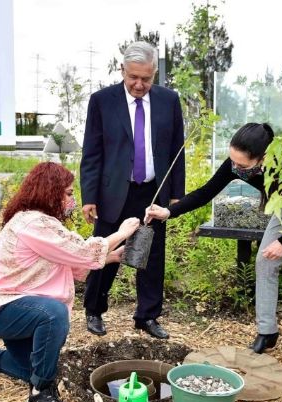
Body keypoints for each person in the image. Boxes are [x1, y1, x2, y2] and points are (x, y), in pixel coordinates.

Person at [0, 162, 140, 402]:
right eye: (68, 193)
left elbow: (71, 260)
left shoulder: (43, 223)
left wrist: (109, 257)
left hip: (20, 307)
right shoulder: (33, 222)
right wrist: (121, 233)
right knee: (53, 314)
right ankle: (40, 397)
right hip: (0, 305)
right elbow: (79, 251)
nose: (72, 199)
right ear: (51, 191)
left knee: (30, 370)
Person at [145, 123, 282, 380]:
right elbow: (207, 191)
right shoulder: (236, 164)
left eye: (242, 165)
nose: (235, 168)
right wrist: (168, 212)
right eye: (233, 161)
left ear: (263, 158)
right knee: (264, 263)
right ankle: (267, 332)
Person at [80, 41, 185, 340]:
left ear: (155, 74)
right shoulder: (102, 101)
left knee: (152, 257)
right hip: (113, 191)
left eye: (146, 79)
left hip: (153, 192)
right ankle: (94, 310)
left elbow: (178, 151)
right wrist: (89, 196)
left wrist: (176, 194)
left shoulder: (169, 101)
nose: (139, 85)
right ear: (122, 70)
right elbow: (92, 152)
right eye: (133, 77)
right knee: (105, 251)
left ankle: (147, 316)